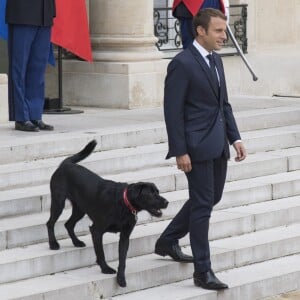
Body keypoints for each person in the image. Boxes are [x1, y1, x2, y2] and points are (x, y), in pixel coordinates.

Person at [154, 8, 246, 290]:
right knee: (203, 204)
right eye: (218, 31)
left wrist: (236, 138)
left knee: (210, 197)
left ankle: (168, 239)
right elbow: (173, 112)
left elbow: (224, 105)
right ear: (201, 31)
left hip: (218, 144)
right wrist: (180, 150)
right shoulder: (182, 63)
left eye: (224, 30)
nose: (224, 35)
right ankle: (202, 271)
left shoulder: (216, 61)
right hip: (195, 147)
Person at [5, 0, 56, 131]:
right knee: (19, 67)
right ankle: (21, 116)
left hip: (44, 13)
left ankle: (35, 114)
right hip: (23, 12)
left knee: (38, 68)